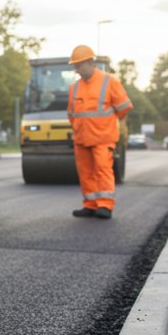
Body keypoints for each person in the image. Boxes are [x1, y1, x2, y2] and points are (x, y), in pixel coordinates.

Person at [66, 44, 132, 219]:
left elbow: (124, 107)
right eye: (75, 67)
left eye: (79, 66)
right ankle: (90, 204)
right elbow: (71, 114)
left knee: (102, 170)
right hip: (81, 138)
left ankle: (105, 205)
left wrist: (110, 124)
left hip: (103, 137)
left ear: (90, 62)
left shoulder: (110, 81)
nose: (77, 70)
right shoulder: (74, 88)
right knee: (85, 172)